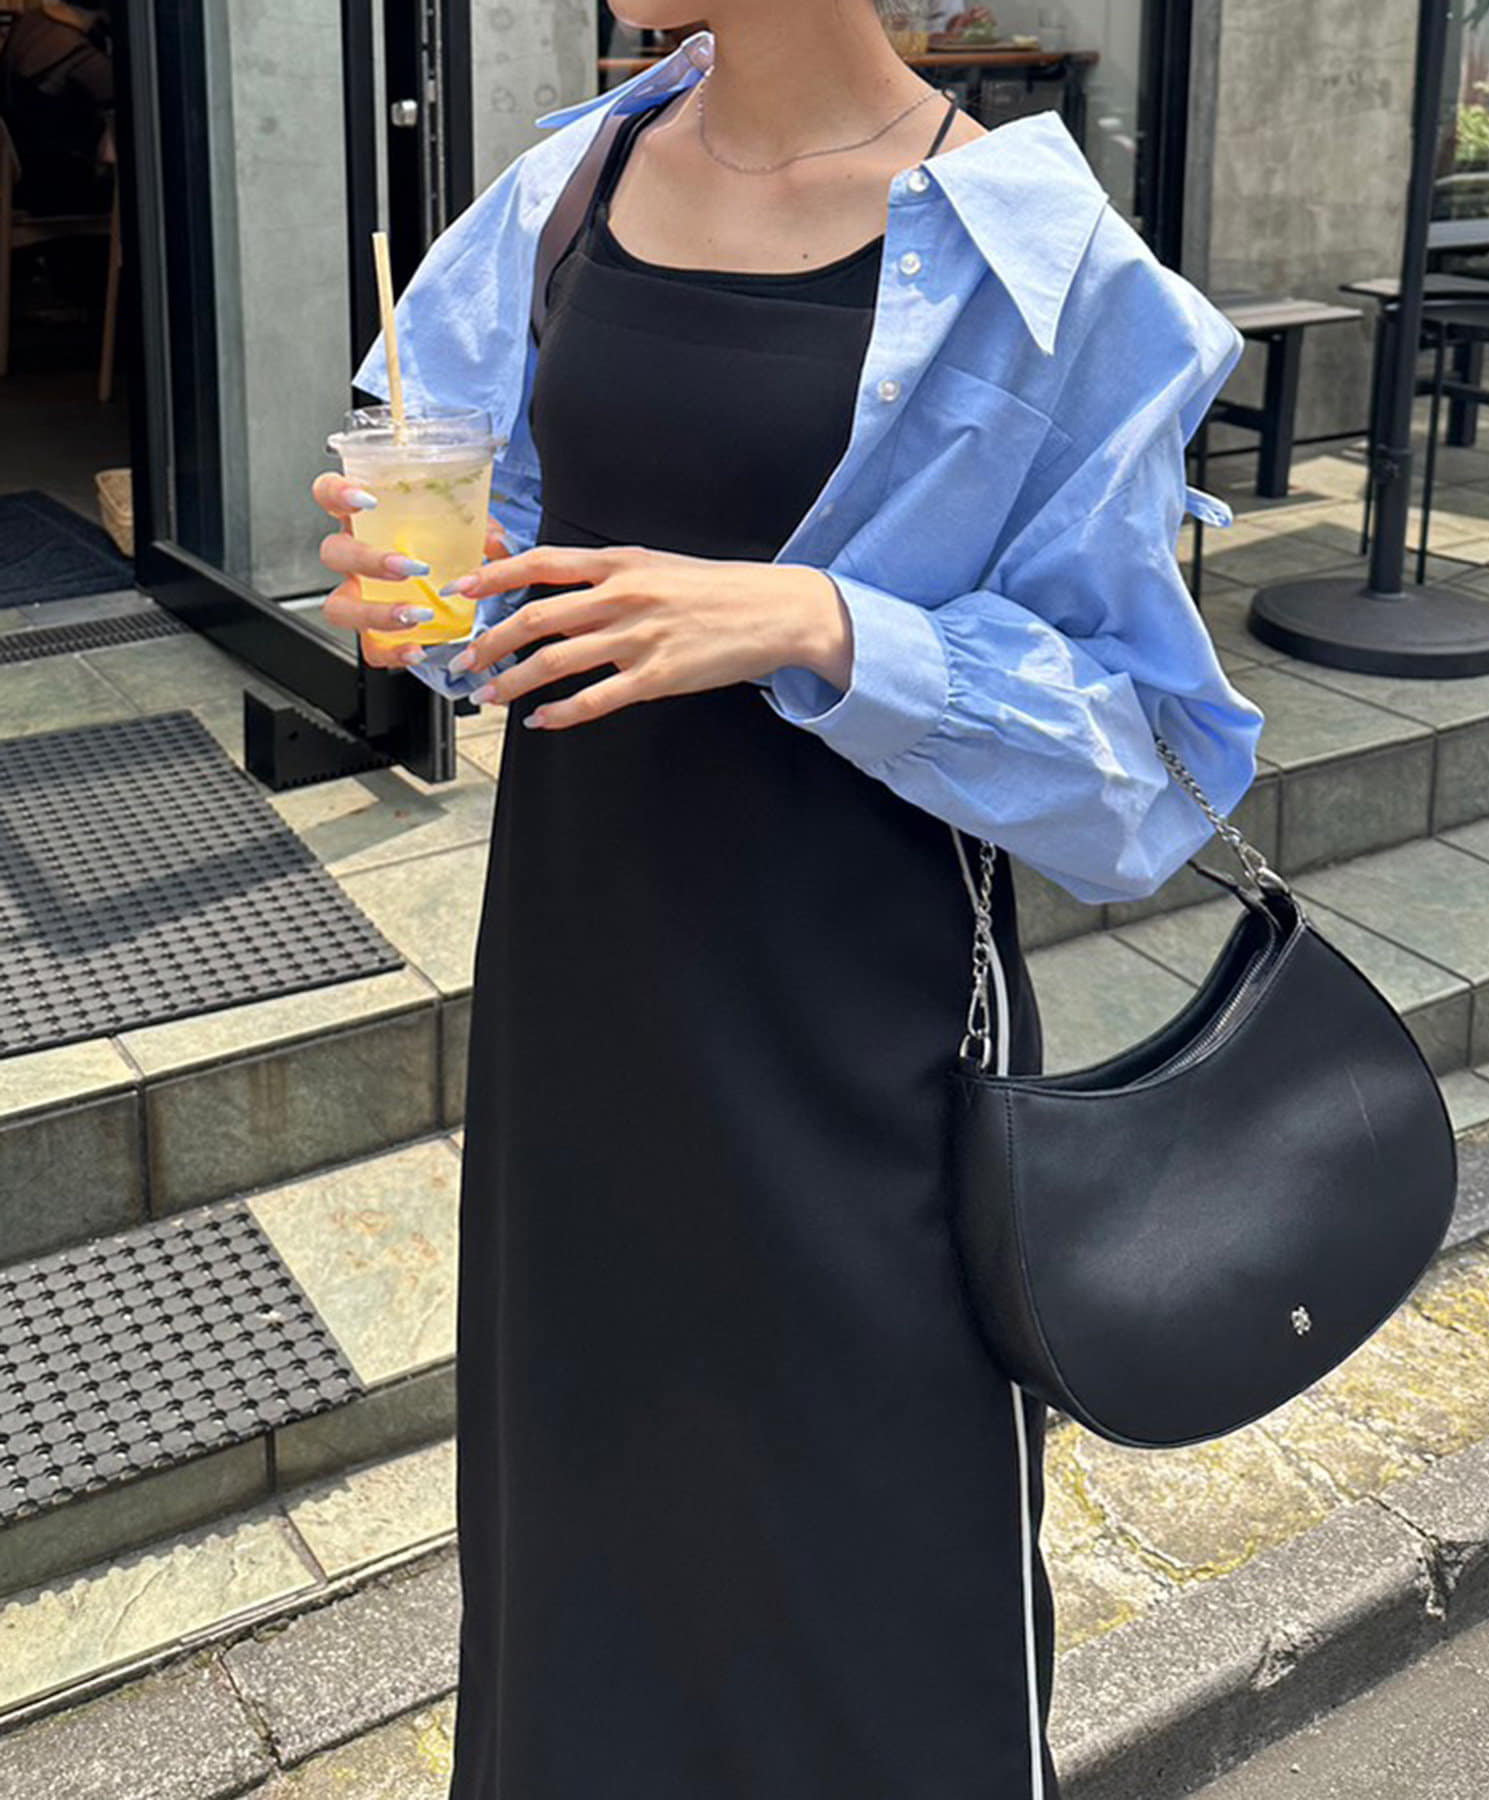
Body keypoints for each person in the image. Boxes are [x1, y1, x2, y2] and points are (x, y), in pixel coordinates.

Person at [311, 4, 1263, 1795]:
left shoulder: (1043, 261)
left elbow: (1155, 769)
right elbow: (498, 568)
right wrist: (423, 605)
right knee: (586, 1551)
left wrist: (820, 624)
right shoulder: (562, 192)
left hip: (862, 1033)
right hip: (585, 1000)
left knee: (871, 1579)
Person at [0, 0, 114, 217]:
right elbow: (124, 93)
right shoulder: (75, 51)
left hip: (24, 181)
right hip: (58, 187)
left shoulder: (33, 22)